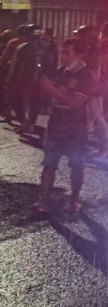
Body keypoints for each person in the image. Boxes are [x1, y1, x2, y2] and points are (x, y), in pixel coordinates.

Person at [36, 38, 93, 213]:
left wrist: (53, 90)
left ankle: (74, 200)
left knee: (76, 164)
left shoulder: (86, 75)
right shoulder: (60, 71)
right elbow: (56, 97)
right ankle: (43, 202)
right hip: (55, 125)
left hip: (76, 128)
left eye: (67, 53)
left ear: (79, 54)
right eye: (62, 52)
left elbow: (75, 102)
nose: (63, 56)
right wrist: (57, 92)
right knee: (49, 164)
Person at [8, 24, 54, 135]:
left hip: (23, 81)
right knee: (34, 104)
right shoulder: (45, 48)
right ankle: (30, 124)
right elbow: (50, 65)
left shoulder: (22, 48)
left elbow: (14, 66)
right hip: (38, 82)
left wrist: (10, 80)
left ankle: (25, 123)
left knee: (19, 103)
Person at [74, 25, 108, 156]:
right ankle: (81, 145)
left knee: (97, 117)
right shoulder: (88, 48)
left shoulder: (94, 51)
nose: (78, 37)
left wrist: (87, 89)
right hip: (90, 87)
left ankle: (104, 147)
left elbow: (94, 72)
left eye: (80, 34)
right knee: (86, 117)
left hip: (94, 89)